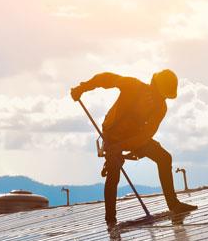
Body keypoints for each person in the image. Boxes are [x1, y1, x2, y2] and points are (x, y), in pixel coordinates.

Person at [71, 70, 198, 225]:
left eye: (164, 96)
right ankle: (110, 219)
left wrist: (121, 147)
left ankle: (173, 204)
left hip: (134, 138)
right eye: (161, 94)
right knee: (113, 173)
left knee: (164, 158)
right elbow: (106, 79)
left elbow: (145, 135)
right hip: (112, 134)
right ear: (154, 86)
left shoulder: (160, 108)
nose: (162, 98)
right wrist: (83, 88)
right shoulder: (133, 85)